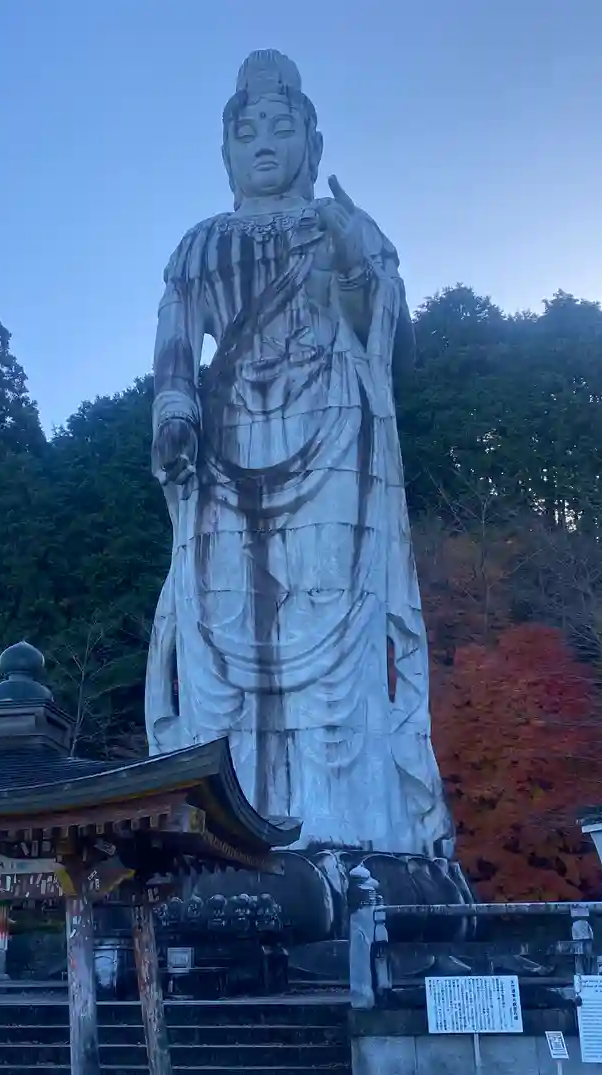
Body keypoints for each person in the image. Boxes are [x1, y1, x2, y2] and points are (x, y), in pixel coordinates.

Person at [144, 50, 451, 856]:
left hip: (336, 432)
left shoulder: (341, 227)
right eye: (247, 131)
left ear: (313, 144)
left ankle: (350, 829)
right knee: (223, 627)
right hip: (224, 442)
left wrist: (357, 261)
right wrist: (174, 412)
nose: (264, 143)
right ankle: (228, 836)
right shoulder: (202, 244)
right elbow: (175, 343)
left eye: (282, 128)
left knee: (332, 618)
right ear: (226, 151)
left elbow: (393, 340)